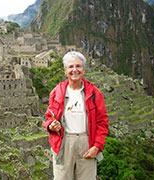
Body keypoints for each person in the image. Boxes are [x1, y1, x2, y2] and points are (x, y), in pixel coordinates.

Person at [42, 51, 108, 180]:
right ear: (65, 71)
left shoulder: (94, 93)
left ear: (83, 69)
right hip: (64, 142)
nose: (75, 70)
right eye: (70, 67)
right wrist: (51, 125)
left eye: (78, 66)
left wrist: (97, 146)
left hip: (86, 142)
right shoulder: (57, 92)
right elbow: (49, 116)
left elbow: (102, 122)